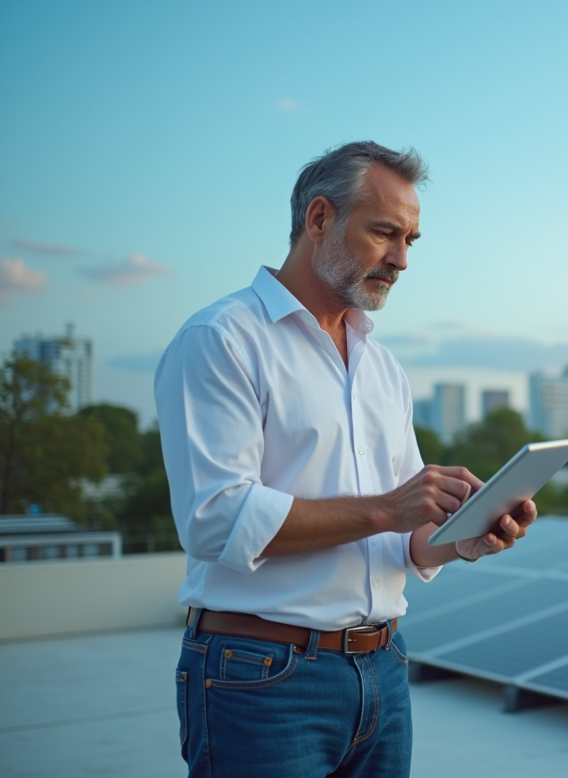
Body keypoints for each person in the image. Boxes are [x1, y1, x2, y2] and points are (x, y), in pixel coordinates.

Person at [155, 141, 535, 778]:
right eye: (385, 233)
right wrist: (388, 507)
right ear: (320, 219)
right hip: (261, 678)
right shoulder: (220, 339)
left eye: (412, 239)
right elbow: (215, 521)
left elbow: (402, 541)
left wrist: (463, 537)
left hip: (383, 672)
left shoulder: (382, 366)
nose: (402, 259)